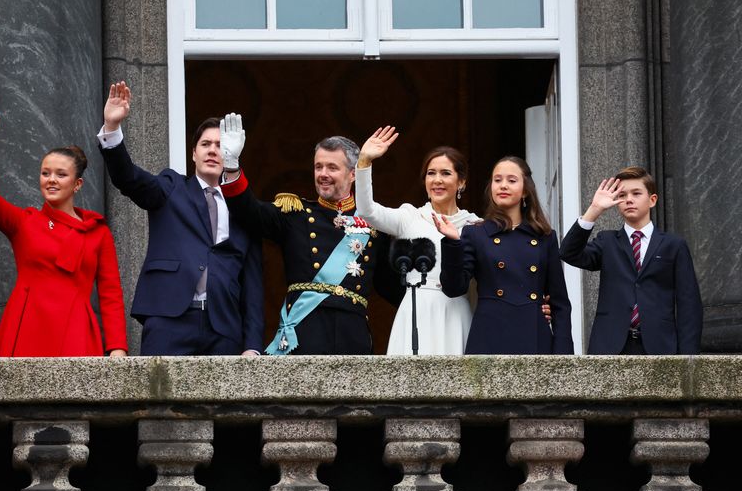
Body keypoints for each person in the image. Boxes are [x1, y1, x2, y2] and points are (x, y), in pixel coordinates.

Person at [98, 82, 263, 356]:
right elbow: (129, 179)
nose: (212, 150)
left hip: (224, 327)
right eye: (205, 144)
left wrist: (253, 345)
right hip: (169, 320)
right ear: (193, 154)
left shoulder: (244, 208)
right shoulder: (171, 187)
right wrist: (113, 129)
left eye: (221, 146)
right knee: (157, 399)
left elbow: (253, 283)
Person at [0, 100, 127, 357]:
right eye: (45, 173)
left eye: (61, 174)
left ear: (77, 184)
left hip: (76, 331)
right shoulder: (25, 222)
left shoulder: (97, 232)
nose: (51, 180)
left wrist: (117, 348)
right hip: (27, 327)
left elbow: (110, 294)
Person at [221, 128, 401, 355]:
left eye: (332, 167)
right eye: (318, 167)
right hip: (303, 336)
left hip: (352, 339)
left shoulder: (374, 225)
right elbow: (248, 211)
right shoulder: (294, 213)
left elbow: (389, 286)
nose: (323, 174)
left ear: (353, 173)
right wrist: (231, 166)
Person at [354, 127, 480, 354]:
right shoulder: (410, 217)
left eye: (446, 173)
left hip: (456, 313)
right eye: (431, 173)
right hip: (415, 311)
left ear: (461, 182)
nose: (437, 180)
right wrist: (364, 162)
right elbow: (367, 211)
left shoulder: (475, 226)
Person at [434, 156, 573, 354]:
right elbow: (454, 288)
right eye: (497, 180)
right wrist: (452, 243)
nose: (503, 185)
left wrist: (564, 357)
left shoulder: (545, 237)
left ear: (525, 190)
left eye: (511, 180)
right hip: (489, 335)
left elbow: (560, 304)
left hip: (534, 337)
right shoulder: (475, 233)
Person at [559, 167, 702, 354]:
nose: (628, 200)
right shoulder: (607, 241)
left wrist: (688, 358)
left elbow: (689, 304)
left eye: (636, 193)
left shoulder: (673, 245)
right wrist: (594, 210)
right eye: (622, 195)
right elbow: (568, 253)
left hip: (660, 345)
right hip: (610, 345)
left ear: (652, 200)